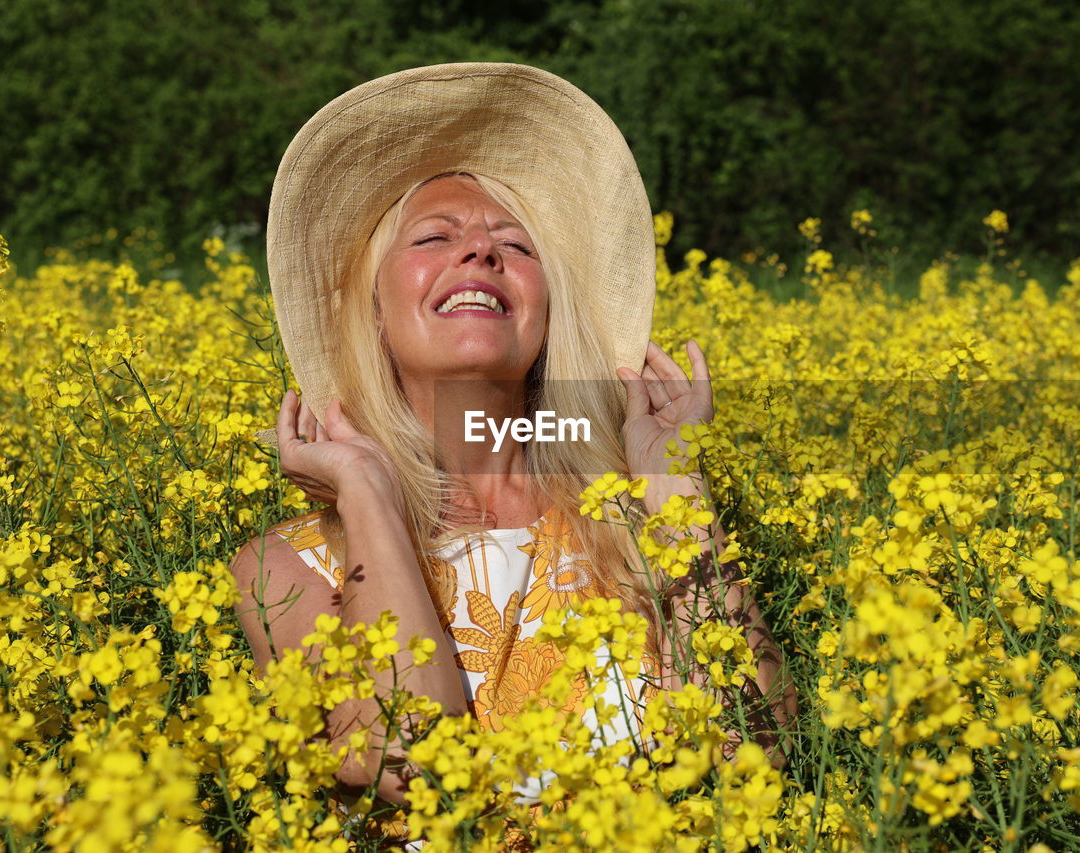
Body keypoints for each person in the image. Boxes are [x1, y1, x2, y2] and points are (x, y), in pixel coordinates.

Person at [230, 63, 796, 820]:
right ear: (372, 312)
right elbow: (413, 764)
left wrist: (675, 487)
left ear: (547, 314)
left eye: (516, 247)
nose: (480, 254)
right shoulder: (287, 569)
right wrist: (366, 493)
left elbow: (756, 752)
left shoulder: (634, 526)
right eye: (434, 236)